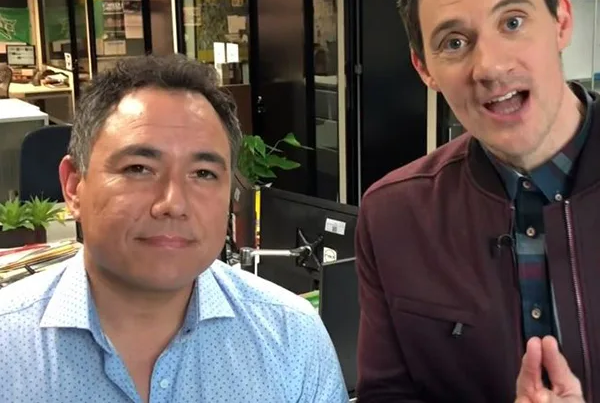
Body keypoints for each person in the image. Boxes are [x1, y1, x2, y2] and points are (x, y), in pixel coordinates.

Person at [0, 54, 347, 402]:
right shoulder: (8, 342)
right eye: (139, 168)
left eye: (203, 174)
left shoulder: (292, 338)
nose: (173, 203)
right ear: (74, 186)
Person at [355, 0, 598, 403]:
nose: (488, 66)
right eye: (455, 43)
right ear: (424, 68)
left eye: (513, 22)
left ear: (560, 22)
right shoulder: (392, 216)